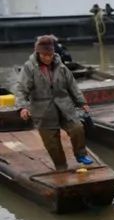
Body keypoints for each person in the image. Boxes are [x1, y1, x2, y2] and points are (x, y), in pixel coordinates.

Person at [16, 35, 93, 170]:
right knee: (52, 141)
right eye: (44, 55)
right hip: (43, 109)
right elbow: (21, 89)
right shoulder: (29, 68)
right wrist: (23, 107)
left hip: (64, 105)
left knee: (77, 128)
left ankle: (80, 154)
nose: (47, 58)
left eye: (50, 54)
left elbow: (72, 85)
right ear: (38, 53)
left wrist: (82, 102)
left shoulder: (61, 66)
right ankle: (60, 165)